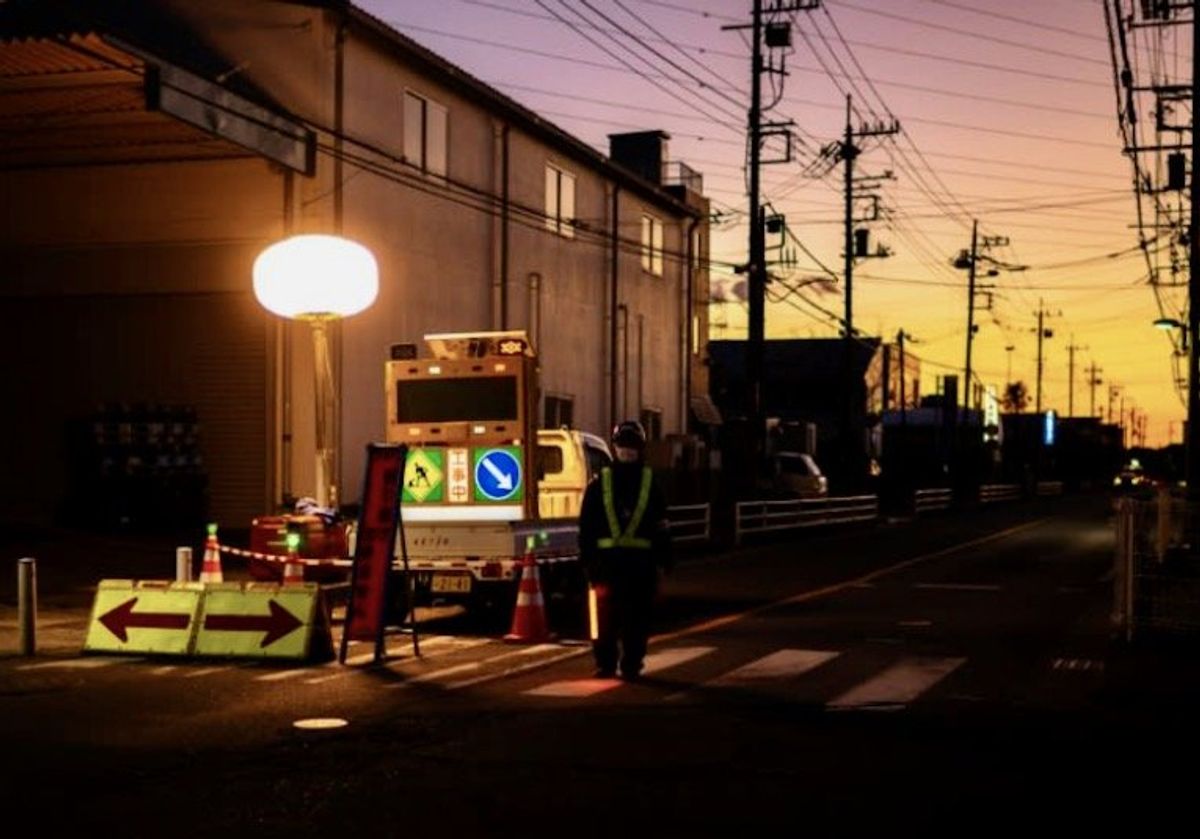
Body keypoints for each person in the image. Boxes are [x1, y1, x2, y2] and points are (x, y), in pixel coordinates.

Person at [578, 420, 672, 680]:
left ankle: (606, 664)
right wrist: (665, 560)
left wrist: (588, 562)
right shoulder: (651, 483)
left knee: (607, 619)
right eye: (625, 445)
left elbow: (586, 529)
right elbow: (662, 527)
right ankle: (630, 665)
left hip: (608, 565)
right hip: (638, 566)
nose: (627, 450)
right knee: (635, 619)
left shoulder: (598, 483)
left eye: (629, 445)